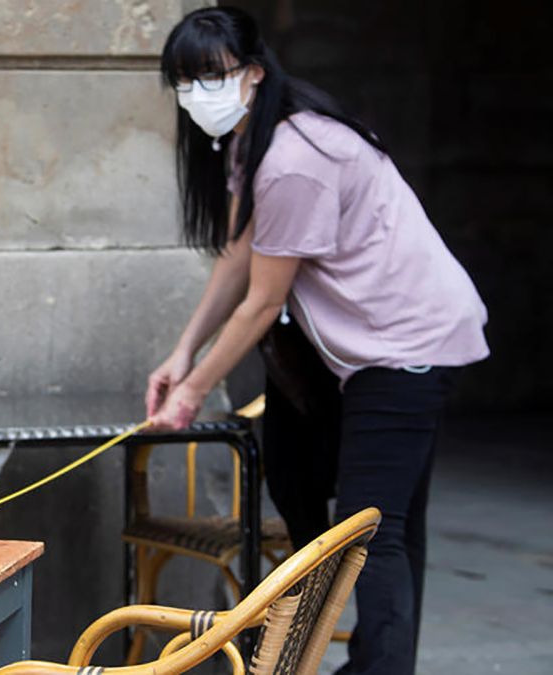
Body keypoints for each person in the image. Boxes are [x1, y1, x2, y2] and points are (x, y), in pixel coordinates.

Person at [143, 8, 488, 674]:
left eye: (211, 75)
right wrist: (182, 353)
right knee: (384, 524)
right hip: (382, 346)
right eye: (183, 80)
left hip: (405, 346)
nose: (196, 93)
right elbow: (238, 255)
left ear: (253, 72)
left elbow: (263, 301)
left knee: (369, 531)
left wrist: (193, 390)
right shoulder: (256, 141)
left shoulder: (295, 157)